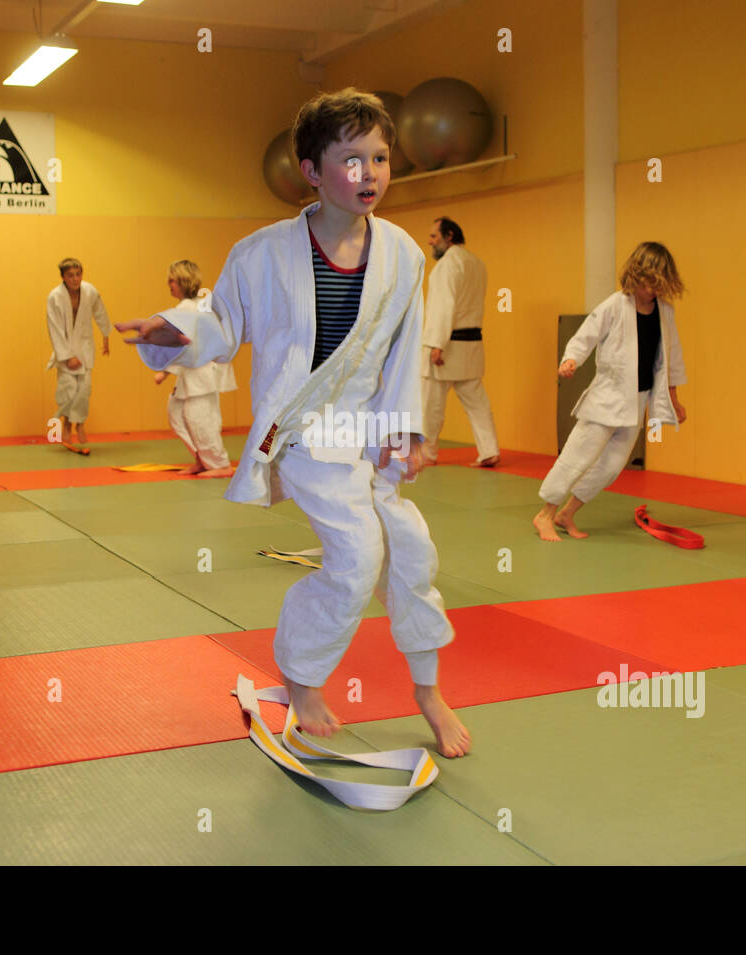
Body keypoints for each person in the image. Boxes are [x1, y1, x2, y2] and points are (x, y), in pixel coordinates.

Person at [117, 88, 470, 758]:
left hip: (370, 428)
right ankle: (303, 674)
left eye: (380, 158)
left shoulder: (402, 254)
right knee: (358, 555)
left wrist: (406, 429)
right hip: (307, 430)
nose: (369, 174)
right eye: (351, 160)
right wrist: (175, 327)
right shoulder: (263, 253)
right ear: (311, 170)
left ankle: (427, 688)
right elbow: (221, 323)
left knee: (412, 549)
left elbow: (403, 348)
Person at [533, 241, 688, 540]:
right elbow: (585, 336)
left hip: (636, 400)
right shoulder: (615, 305)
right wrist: (571, 360)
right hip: (606, 398)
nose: (652, 290)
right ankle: (544, 515)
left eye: (659, 284)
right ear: (636, 275)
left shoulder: (664, 312)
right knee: (577, 457)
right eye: (648, 283)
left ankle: (567, 513)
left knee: (611, 467)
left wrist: (674, 398)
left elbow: (672, 358)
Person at [421, 217, 500, 466]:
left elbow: (444, 307)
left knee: (431, 404)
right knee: (477, 403)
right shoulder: (477, 264)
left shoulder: (447, 266)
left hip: (447, 346)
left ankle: (427, 453)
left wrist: (437, 343)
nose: (430, 241)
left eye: (434, 236)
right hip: (471, 344)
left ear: (450, 236)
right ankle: (489, 450)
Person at [153, 260, 237, 477]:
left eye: (172, 280)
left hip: (203, 373)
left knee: (200, 418)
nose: (168, 284)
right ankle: (202, 459)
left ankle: (220, 464)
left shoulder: (192, 310)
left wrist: (164, 372)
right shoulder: (188, 309)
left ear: (182, 281)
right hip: (191, 373)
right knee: (177, 413)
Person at [46, 257, 110, 446]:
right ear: (63, 277)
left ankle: (80, 424)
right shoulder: (55, 296)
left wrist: (105, 335)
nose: (75, 279)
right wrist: (66, 355)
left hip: (84, 348)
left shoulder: (90, 292)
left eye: (78, 274)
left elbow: (100, 313)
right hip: (65, 348)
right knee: (68, 389)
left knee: (84, 390)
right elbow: (54, 327)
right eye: (70, 275)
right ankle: (67, 423)